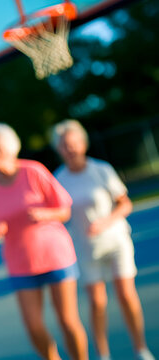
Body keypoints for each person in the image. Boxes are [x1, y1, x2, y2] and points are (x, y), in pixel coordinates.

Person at [0, 122, 88, 360]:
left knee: (68, 320)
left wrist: (45, 214)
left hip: (56, 257)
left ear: (10, 148)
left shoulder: (33, 171)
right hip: (20, 264)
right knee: (34, 327)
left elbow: (64, 209)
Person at [51, 119, 155, 360]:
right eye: (65, 146)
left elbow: (125, 204)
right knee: (97, 303)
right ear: (59, 149)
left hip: (117, 241)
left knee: (127, 295)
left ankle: (140, 348)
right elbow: (58, 217)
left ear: (83, 143)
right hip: (84, 249)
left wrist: (105, 222)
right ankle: (103, 354)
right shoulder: (58, 179)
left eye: (74, 143)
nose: (70, 149)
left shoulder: (101, 170)